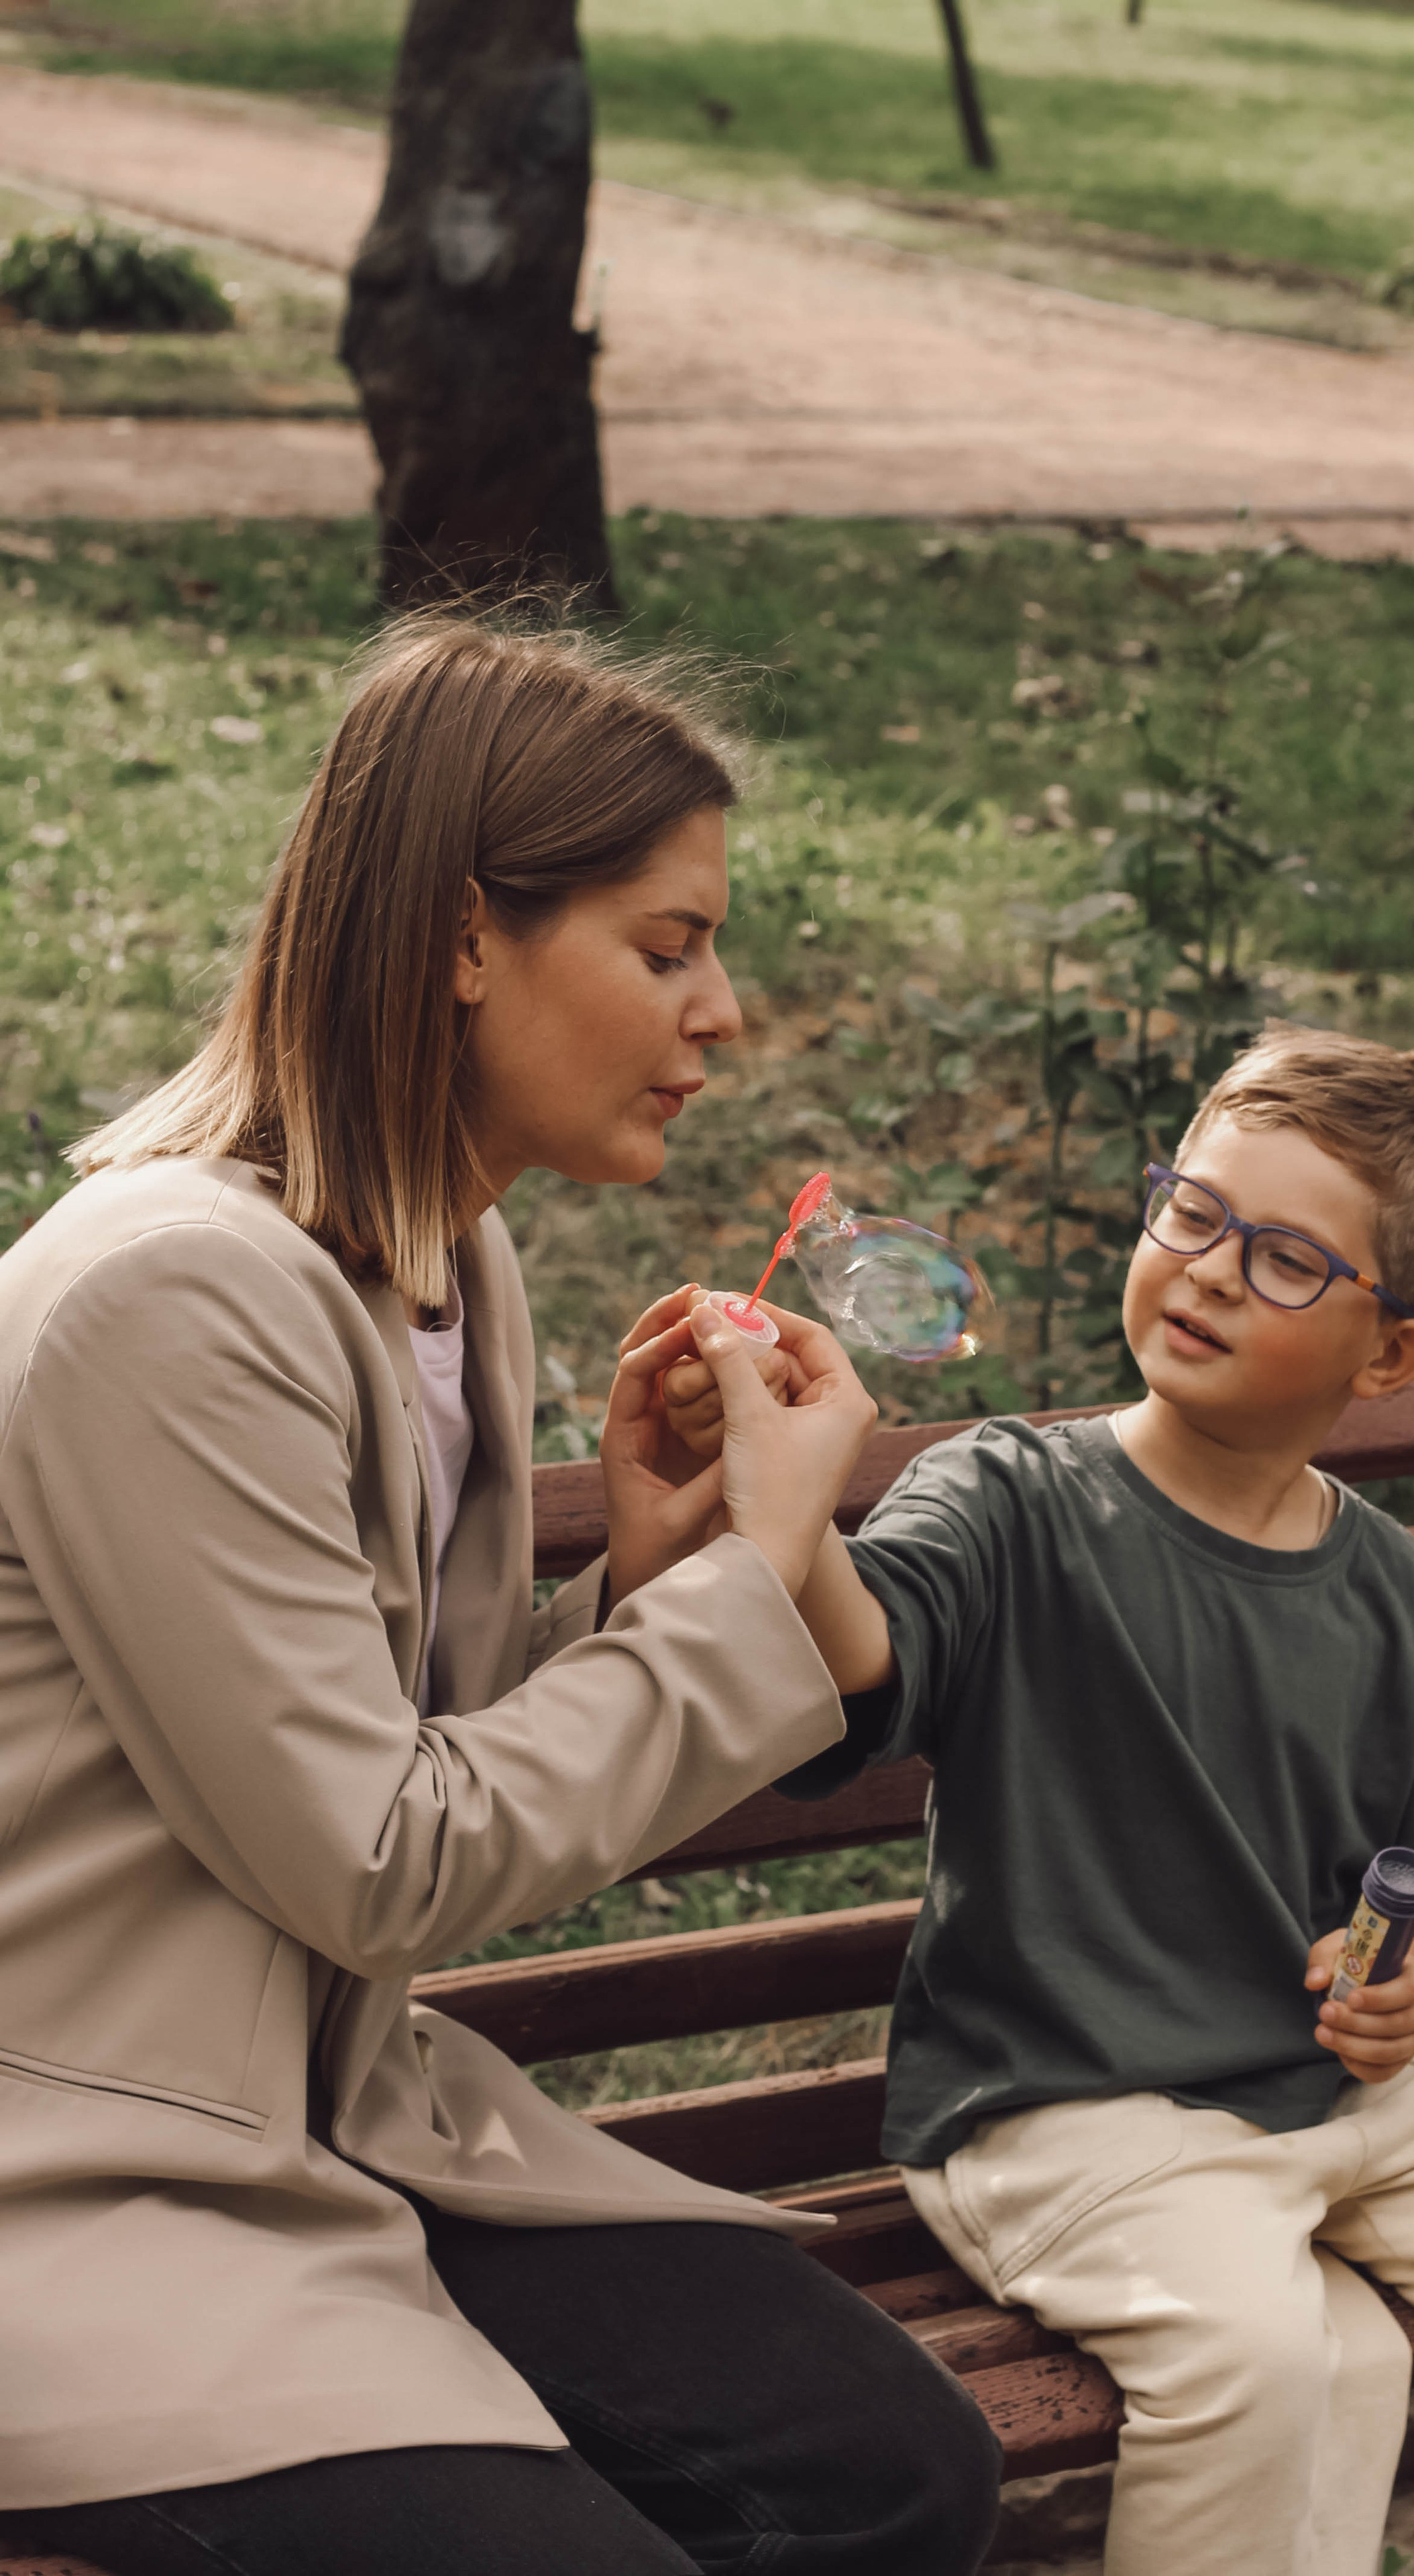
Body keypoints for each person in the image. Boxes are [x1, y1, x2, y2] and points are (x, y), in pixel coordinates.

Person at [0, 618, 1000, 2576]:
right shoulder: (166, 1298)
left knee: (892, 2471)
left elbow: (401, 1753)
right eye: (668, 945)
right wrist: (768, 1576)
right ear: (467, 938)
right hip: (84, 2177)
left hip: (318, 2119)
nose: (724, 1012)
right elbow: (382, 1861)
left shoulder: (441, 1260)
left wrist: (649, 1574)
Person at [664, 1022, 1414, 2576]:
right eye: (1193, 1213)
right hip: (1072, 2102)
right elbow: (859, 1677)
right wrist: (790, 1501)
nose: (1213, 1270)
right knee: (1277, 2364)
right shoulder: (1006, 1500)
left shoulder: (1386, 1587)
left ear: (1393, 1355)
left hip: (1346, 2089)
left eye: (1287, 1258)